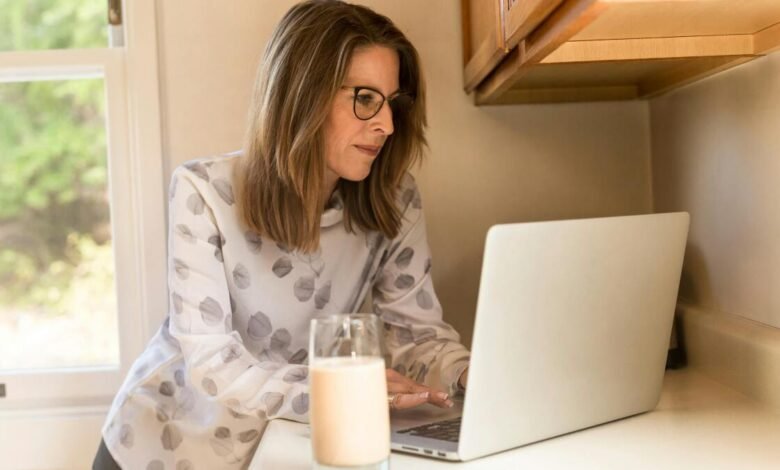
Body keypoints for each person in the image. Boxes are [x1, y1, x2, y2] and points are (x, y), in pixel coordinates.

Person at [93, 1, 470, 468]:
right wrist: (342, 389)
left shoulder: (395, 200)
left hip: (278, 450)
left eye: (391, 102)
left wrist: (466, 373)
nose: (387, 125)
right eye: (366, 99)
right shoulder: (202, 192)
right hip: (161, 448)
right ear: (303, 96)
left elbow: (415, 336)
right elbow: (212, 365)